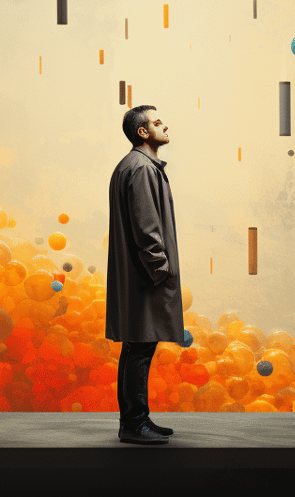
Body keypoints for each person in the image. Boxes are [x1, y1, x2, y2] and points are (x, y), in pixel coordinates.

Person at [107, 105, 183, 445]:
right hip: (146, 276)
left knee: (136, 345)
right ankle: (135, 424)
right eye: (156, 122)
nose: (164, 125)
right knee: (140, 346)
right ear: (142, 132)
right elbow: (146, 225)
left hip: (140, 274)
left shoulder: (137, 166)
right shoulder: (141, 169)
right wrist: (160, 269)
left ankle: (136, 418)